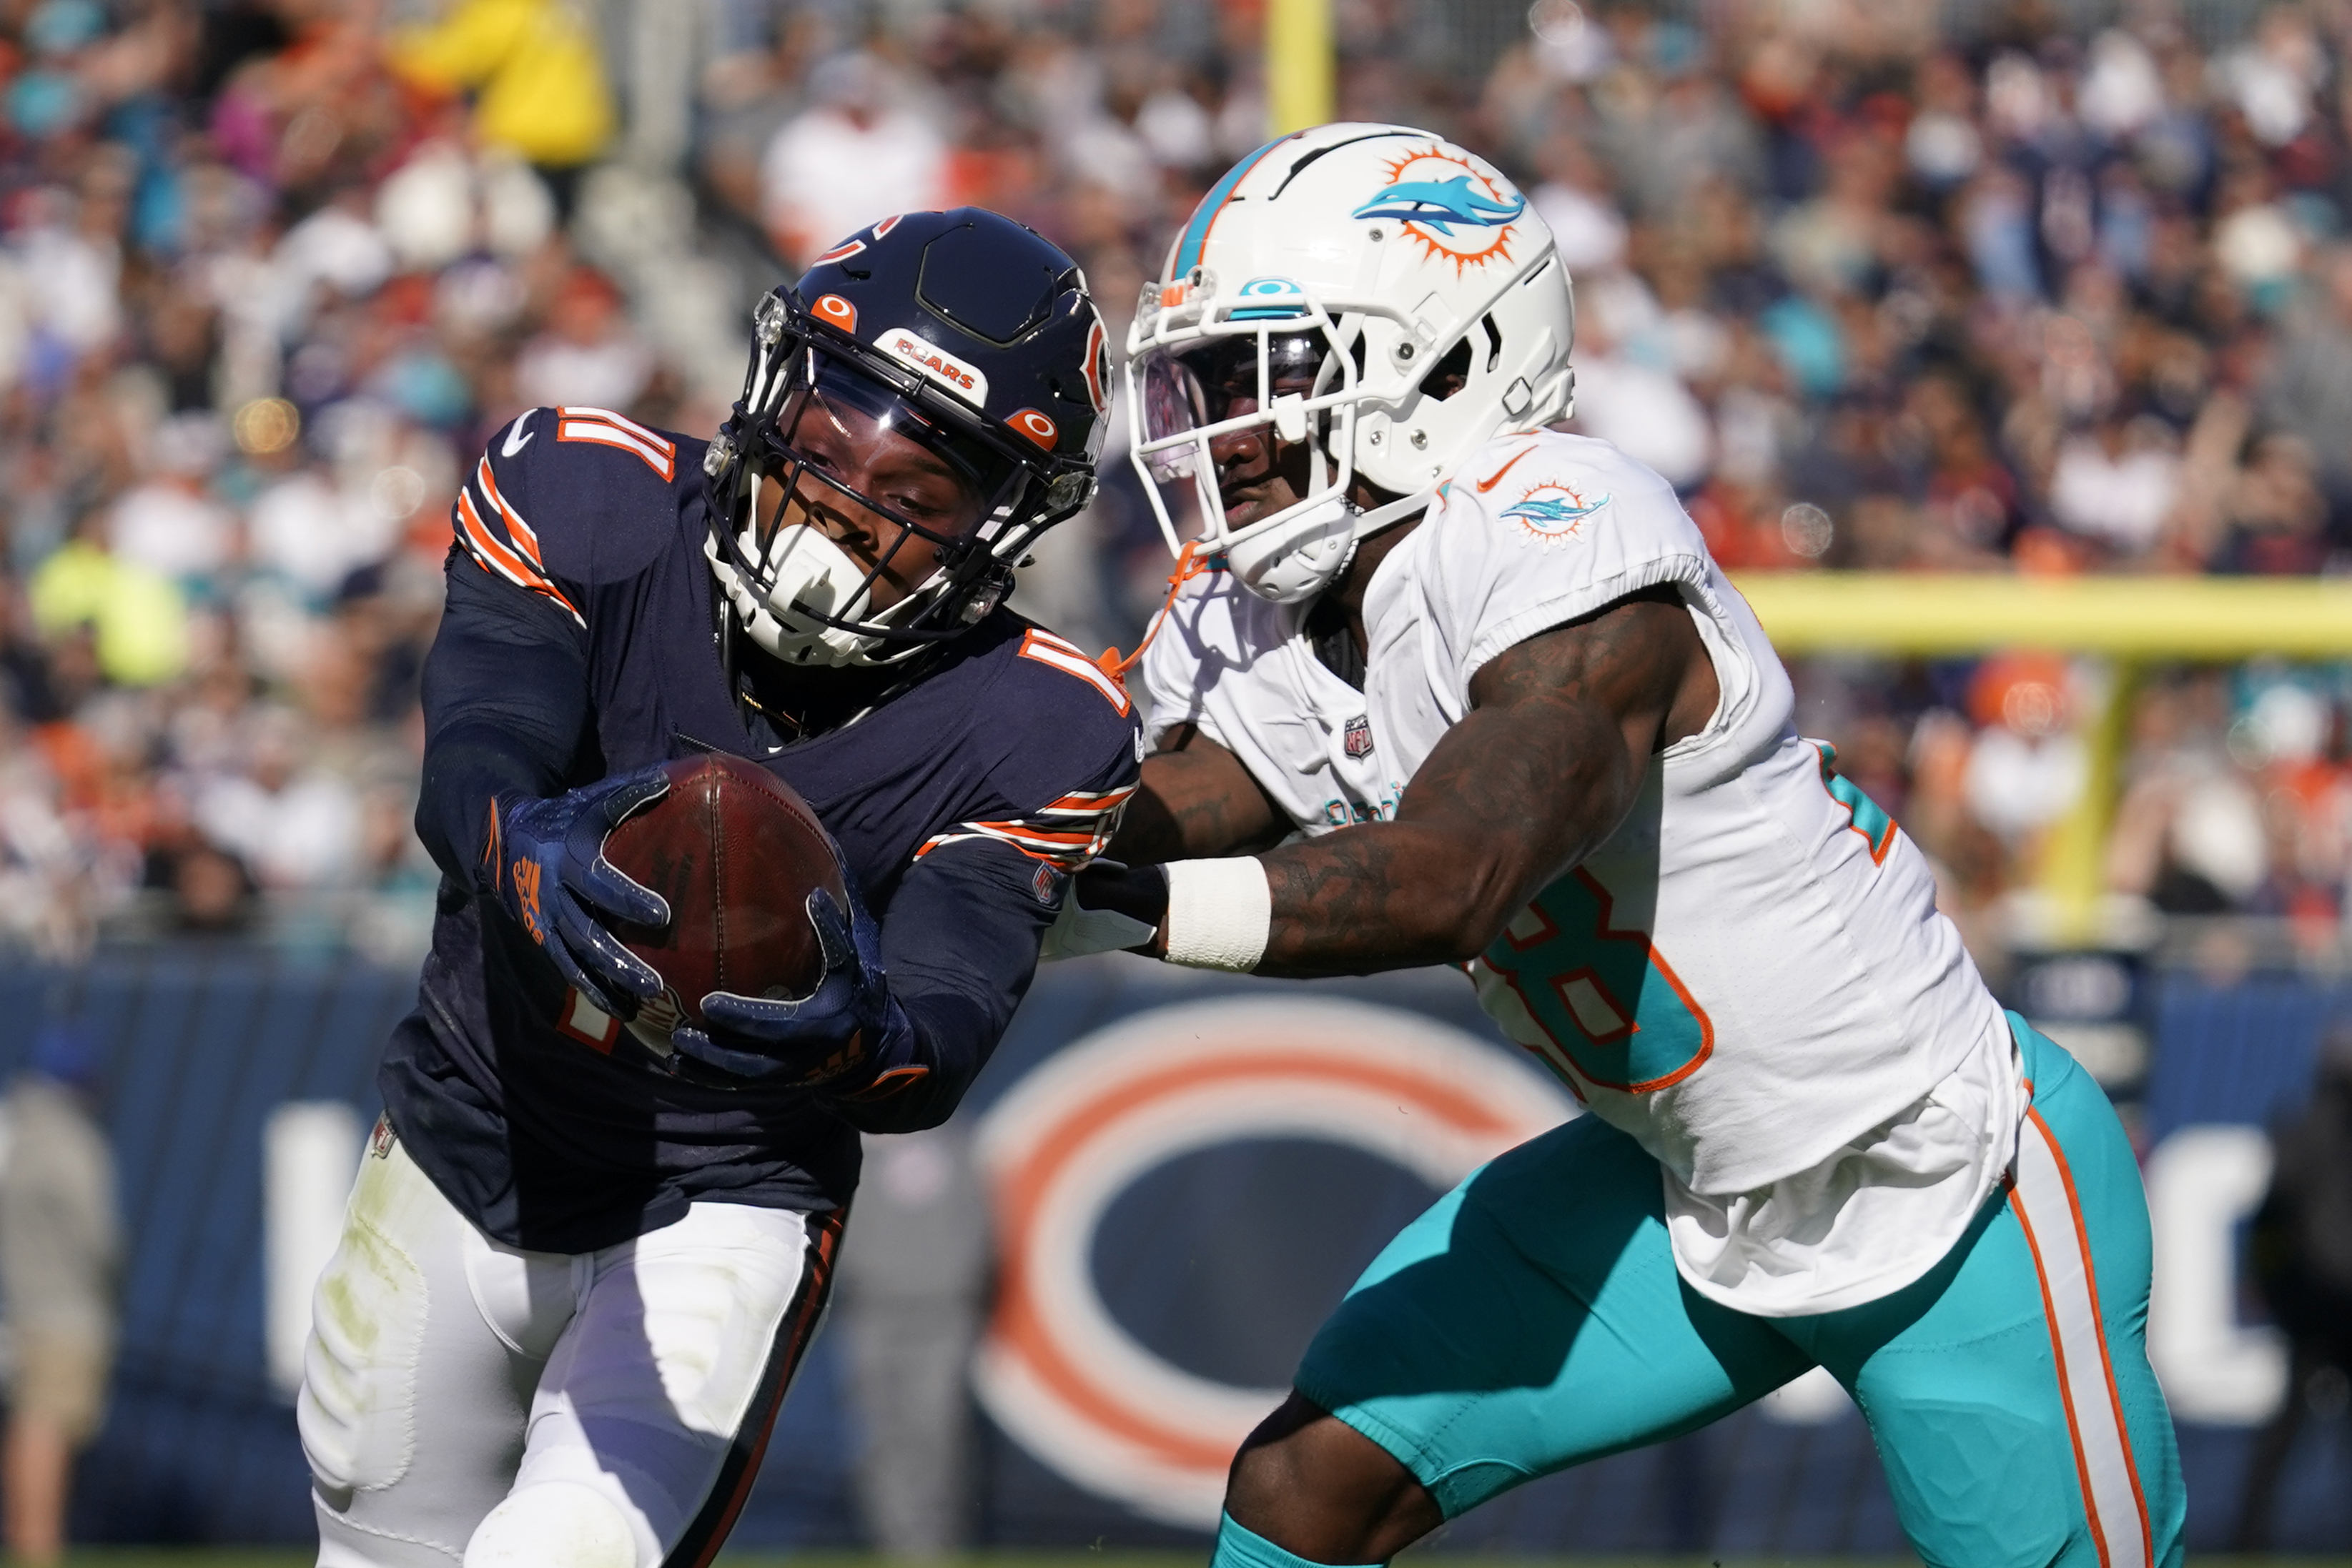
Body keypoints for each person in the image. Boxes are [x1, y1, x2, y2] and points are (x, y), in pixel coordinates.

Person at [1050, 124, 2185, 1568]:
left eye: (1263, 380)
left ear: (1442, 366)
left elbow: (1454, 874)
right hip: (1678, 1185)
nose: (1228, 437)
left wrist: (1117, 903)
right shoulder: (1286, 610)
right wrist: (977, 836)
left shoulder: (1560, 533)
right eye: (1207, 385)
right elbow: (1175, 801)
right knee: (1307, 1486)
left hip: (1941, 1178)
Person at [299, 209, 1138, 1568]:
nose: (843, 510)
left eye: (919, 499)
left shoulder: (1038, 721)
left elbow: (949, 1009)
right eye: (821, 454)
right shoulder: (590, 497)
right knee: (374, 1534)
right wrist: (522, 836)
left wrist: (873, 1040)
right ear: (770, 398)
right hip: (473, 1131)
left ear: (1005, 521)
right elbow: (476, 755)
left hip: (724, 1196)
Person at [0, 1021, 120, 1568]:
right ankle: (38, 1545)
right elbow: (100, 1235)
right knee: (47, 1429)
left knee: (29, 1424)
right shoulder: (69, 1138)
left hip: (23, 1307)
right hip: (66, 1310)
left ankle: (29, 1539)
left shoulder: (17, 1132)